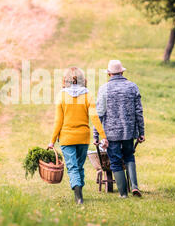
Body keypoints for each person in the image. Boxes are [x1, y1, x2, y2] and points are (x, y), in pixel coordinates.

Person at [48, 67, 108, 204]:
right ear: (83, 80)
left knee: (73, 167)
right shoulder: (87, 95)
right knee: (79, 166)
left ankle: (78, 196)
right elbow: (94, 117)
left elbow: (58, 121)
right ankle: (79, 191)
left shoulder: (61, 96)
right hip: (83, 137)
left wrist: (52, 141)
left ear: (65, 80)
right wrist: (103, 136)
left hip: (67, 138)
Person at [93, 60, 145, 198]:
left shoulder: (104, 89)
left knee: (115, 161)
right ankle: (134, 186)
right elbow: (139, 111)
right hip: (129, 131)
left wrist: (95, 135)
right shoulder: (132, 87)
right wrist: (141, 132)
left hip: (111, 133)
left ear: (109, 73)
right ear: (122, 72)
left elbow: (99, 114)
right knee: (129, 156)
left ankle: (123, 194)